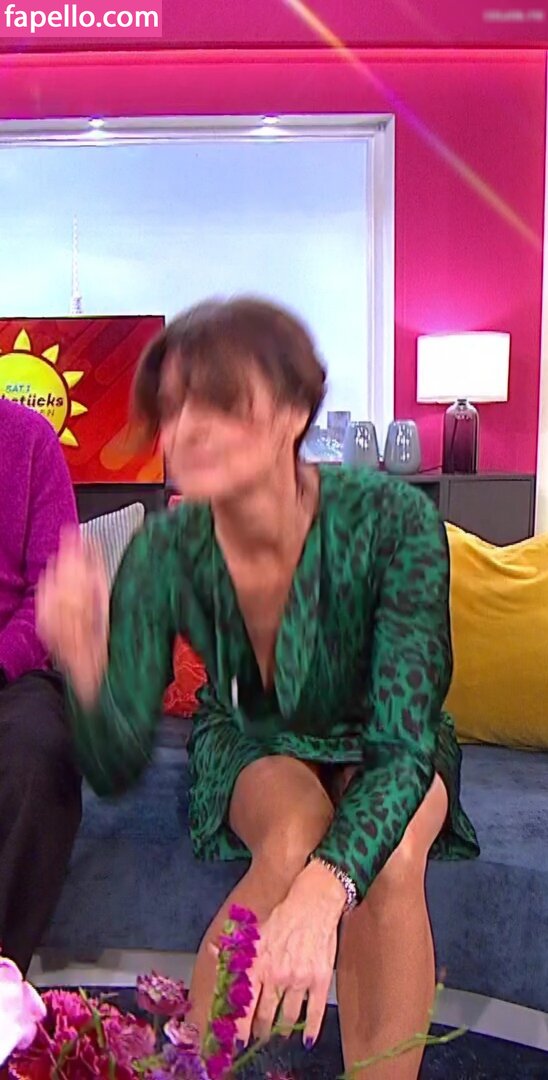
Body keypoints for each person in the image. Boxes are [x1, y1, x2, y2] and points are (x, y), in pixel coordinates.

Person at [37, 298, 479, 1079]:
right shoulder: (167, 551)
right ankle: (198, 1067)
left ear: (292, 414)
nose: (188, 430)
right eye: (174, 407)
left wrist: (325, 891)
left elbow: (403, 742)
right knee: (292, 833)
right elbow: (112, 761)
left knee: (392, 858)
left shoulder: (395, 522)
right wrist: (85, 667)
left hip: (387, 738)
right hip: (253, 734)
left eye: (219, 404)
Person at [0, 397, 82, 974]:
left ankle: (2, 977)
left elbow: (52, 592)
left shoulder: (29, 441)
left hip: (16, 671)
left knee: (38, 751)